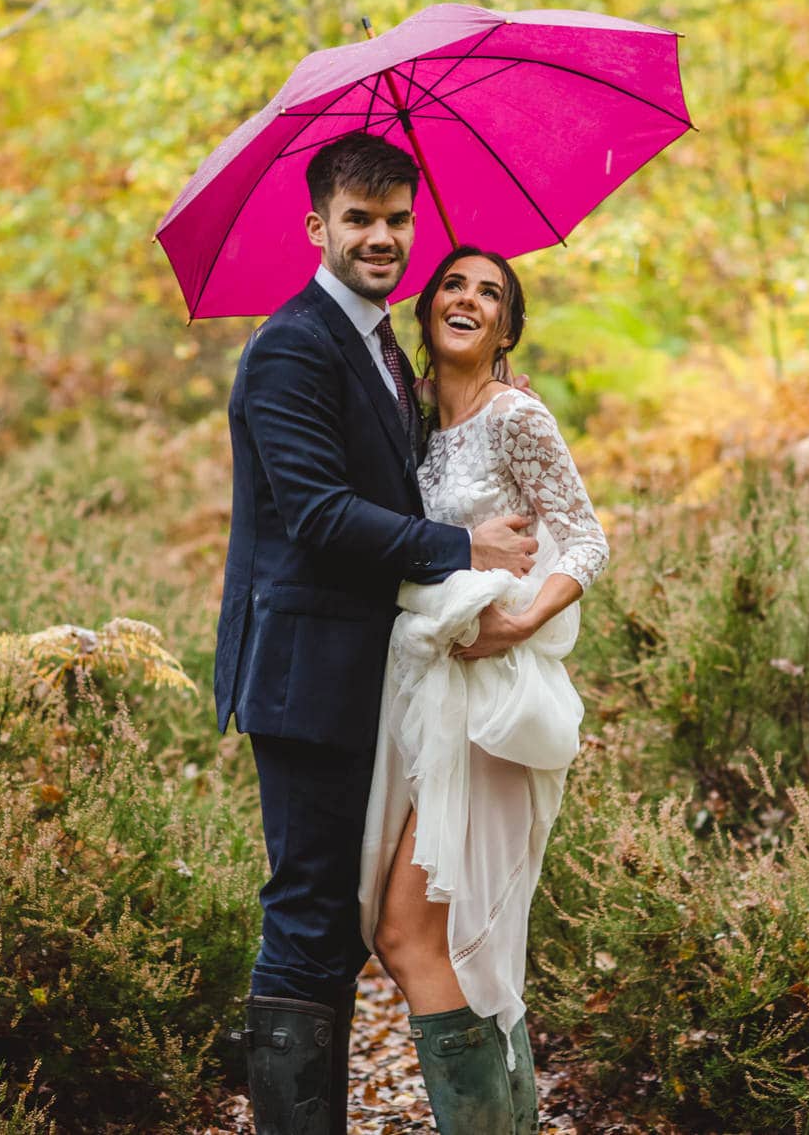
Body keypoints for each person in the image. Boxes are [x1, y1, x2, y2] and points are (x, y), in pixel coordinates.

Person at [216, 132, 540, 1134]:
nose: (382, 237)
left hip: (382, 678)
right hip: (308, 678)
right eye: (359, 219)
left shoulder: (382, 346)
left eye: (398, 219)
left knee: (366, 923)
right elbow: (314, 514)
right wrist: (462, 545)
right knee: (308, 921)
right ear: (316, 226)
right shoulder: (289, 346)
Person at [357, 246, 608, 1134]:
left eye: (489, 292)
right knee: (456, 942)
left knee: (411, 934)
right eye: (454, 285)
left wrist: (522, 619)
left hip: (496, 699)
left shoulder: (518, 418)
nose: (468, 298)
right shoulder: (411, 423)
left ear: (506, 326)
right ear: (427, 312)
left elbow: (585, 541)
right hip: (426, 694)